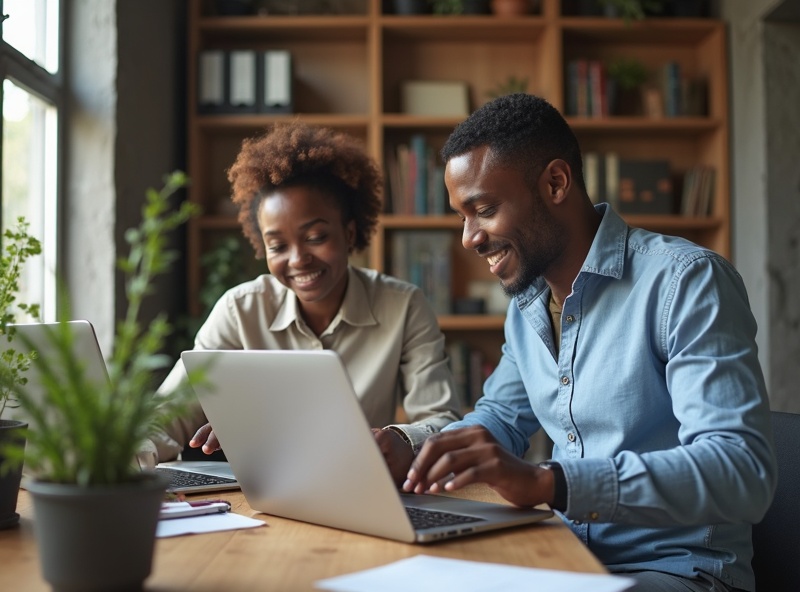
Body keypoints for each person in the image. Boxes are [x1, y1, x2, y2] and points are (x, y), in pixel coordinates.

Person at [402, 94, 776, 592]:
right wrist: (408, 447)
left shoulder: (686, 283)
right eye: (462, 216)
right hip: (564, 557)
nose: (469, 237)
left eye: (484, 209)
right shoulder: (528, 306)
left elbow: (742, 471)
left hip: (680, 573)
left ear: (556, 183)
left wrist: (551, 483)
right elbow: (498, 422)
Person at [140, 121, 461, 484]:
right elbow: (169, 412)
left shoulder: (403, 306)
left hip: (357, 489)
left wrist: (401, 438)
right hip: (264, 495)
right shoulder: (240, 310)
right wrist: (126, 460)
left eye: (315, 237)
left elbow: (443, 421)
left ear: (350, 232)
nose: (297, 259)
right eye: (277, 246)